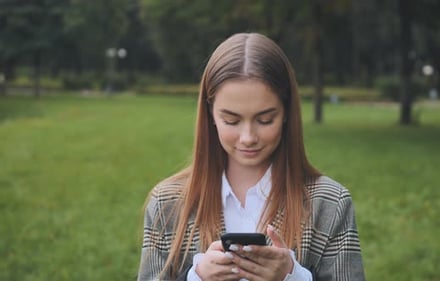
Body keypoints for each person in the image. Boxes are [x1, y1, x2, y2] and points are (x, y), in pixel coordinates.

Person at [137, 32, 365, 281]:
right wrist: (195, 277)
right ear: (210, 114)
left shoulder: (330, 204)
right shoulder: (167, 204)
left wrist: (293, 276)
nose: (248, 137)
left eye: (265, 119)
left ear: (287, 112)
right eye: (231, 120)